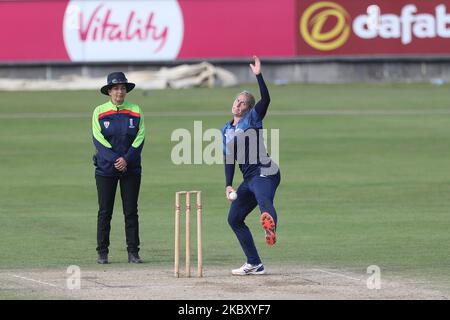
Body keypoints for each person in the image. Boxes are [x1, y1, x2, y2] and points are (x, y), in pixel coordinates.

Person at [222, 56, 281, 275]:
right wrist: (228, 185)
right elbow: (229, 158)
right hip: (249, 178)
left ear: (248, 108)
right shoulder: (226, 130)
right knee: (234, 219)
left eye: (243, 103)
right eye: (237, 101)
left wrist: (259, 75)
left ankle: (270, 226)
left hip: (266, 171)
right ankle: (254, 263)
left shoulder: (253, 119)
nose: (238, 104)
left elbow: (266, 99)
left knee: (263, 199)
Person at [92, 72, 145, 264]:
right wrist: (116, 159)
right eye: (115, 88)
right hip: (106, 169)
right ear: (109, 91)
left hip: (131, 169)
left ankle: (133, 252)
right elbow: (98, 140)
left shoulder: (135, 110)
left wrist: (127, 160)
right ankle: (102, 252)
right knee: (105, 211)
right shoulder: (99, 111)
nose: (119, 92)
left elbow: (140, 138)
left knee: (130, 211)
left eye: (122, 88)